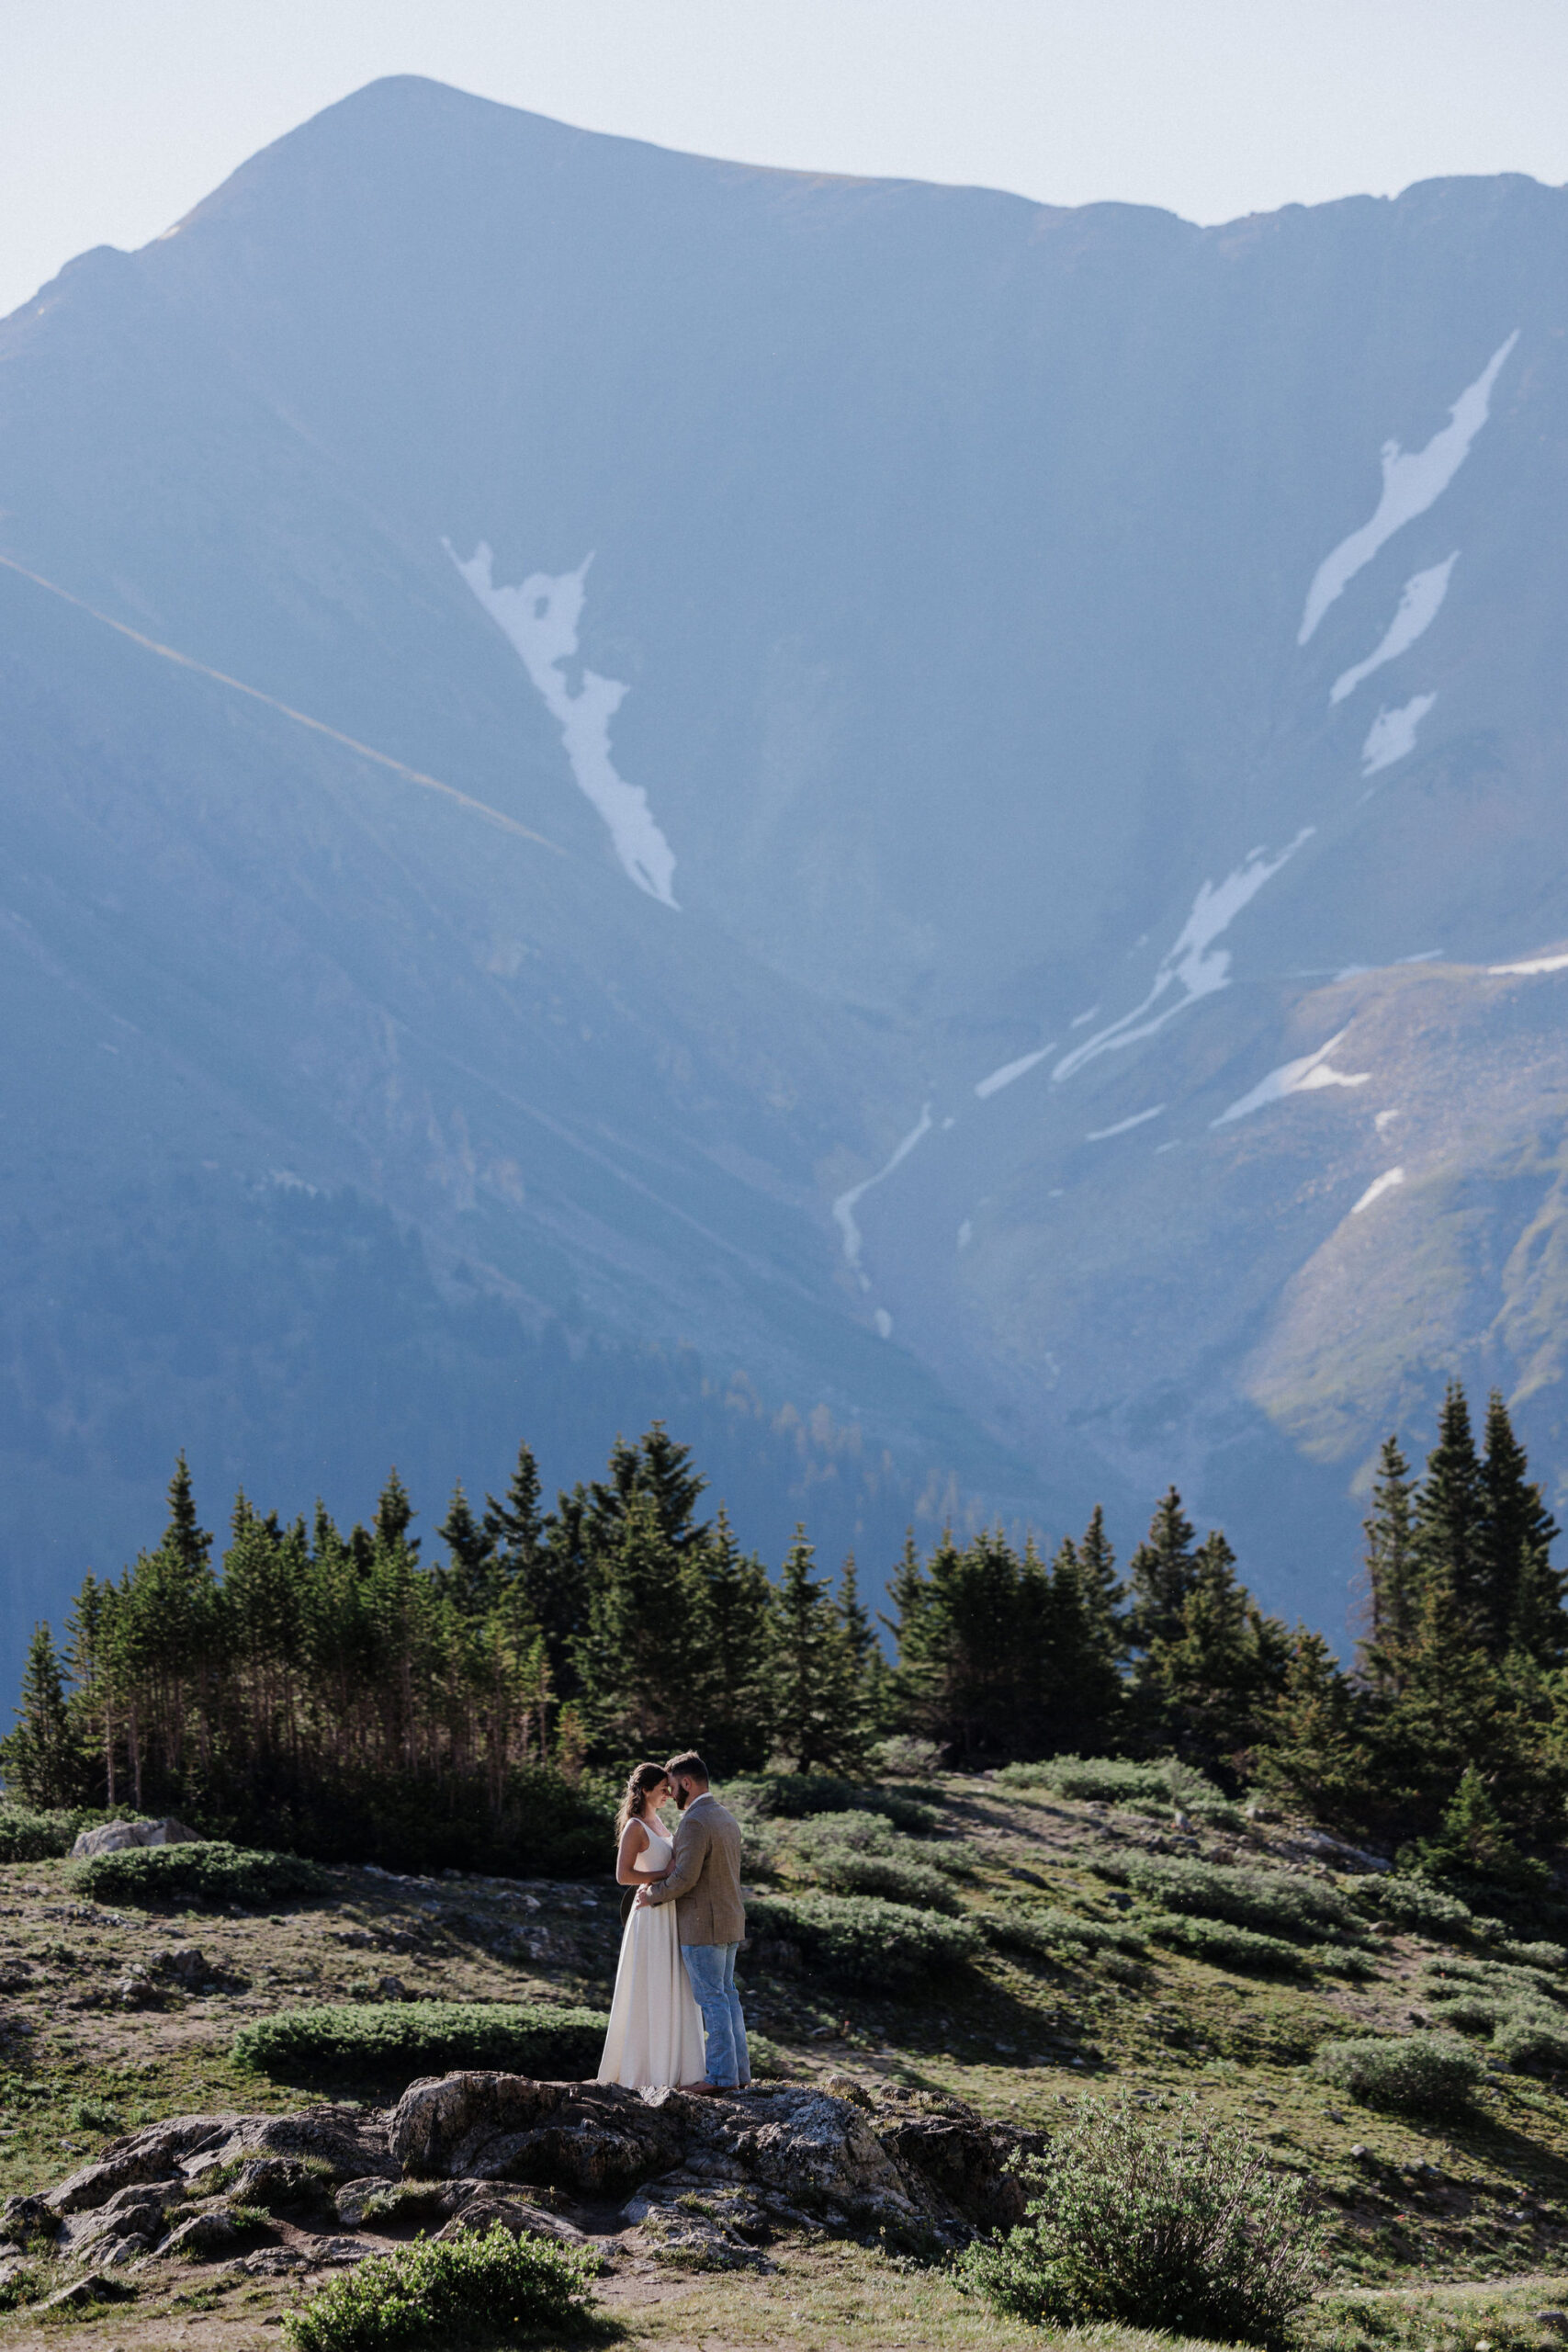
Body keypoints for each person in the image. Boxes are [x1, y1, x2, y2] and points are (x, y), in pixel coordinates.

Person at [636, 1749, 750, 2094]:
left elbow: (685, 1878)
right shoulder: (725, 1816)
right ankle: (739, 2074)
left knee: (713, 2000)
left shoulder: (696, 1821)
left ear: (687, 1782)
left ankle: (719, 2079)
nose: (671, 1795)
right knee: (728, 1997)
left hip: (704, 1924)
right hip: (729, 1921)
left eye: (673, 1786)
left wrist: (650, 1895)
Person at [596, 1762, 708, 2089]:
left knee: (675, 1986)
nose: (668, 1794)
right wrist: (664, 1874)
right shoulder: (634, 1826)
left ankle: (676, 2069)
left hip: (670, 1911)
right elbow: (623, 1875)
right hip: (649, 1916)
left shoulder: (658, 1821)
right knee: (652, 1987)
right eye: (663, 1789)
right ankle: (647, 2071)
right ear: (645, 1790)